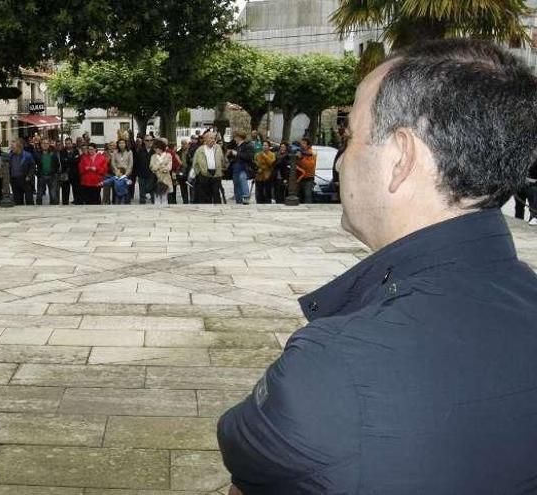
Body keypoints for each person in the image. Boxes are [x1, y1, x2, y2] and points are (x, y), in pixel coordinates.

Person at [218, 39, 537, 494]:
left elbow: (250, 463)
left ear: (401, 158)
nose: (344, 159)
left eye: (351, 136)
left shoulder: (333, 371)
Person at [191, 132, 227, 204]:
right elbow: (195, 163)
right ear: (205, 139)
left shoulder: (218, 148)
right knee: (205, 195)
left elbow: (222, 159)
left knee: (216, 193)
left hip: (216, 174)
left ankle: (218, 209)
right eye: (211, 138)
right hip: (204, 174)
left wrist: (222, 168)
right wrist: (199, 173)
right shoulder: (200, 150)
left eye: (214, 138)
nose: (213, 140)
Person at [227, 131, 254, 205]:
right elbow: (232, 157)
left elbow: (249, 157)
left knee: (242, 180)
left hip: (243, 168)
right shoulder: (236, 146)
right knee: (236, 184)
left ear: (239, 137)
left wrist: (237, 153)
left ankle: (246, 198)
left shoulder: (247, 145)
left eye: (235, 137)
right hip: (235, 168)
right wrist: (230, 154)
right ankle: (238, 201)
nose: (234, 139)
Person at [8, 138, 36, 205]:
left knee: (29, 201)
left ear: (19, 147)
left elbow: (33, 167)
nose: (12, 148)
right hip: (14, 181)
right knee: (18, 202)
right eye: (11, 147)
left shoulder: (27, 155)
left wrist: (29, 176)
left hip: (25, 180)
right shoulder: (10, 156)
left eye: (13, 147)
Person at [33, 139, 60, 205]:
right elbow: (33, 164)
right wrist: (37, 173)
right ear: (41, 144)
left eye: (47, 143)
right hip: (41, 176)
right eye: (43, 143)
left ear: (49, 144)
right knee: (39, 195)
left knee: (53, 195)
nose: (45, 145)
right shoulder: (37, 154)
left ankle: (53, 209)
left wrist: (55, 173)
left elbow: (57, 164)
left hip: (52, 176)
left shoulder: (53, 154)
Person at [149, 139, 173, 206]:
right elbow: (151, 166)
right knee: (156, 192)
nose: (155, 149)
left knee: (165, 192)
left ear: (161, 148)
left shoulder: (168, 155)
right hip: (156, 177)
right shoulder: (153, 156)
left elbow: (169, 166)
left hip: (165, 176)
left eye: (157, 148)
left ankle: (165, 204)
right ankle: (157, 204)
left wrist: (162, 168)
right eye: (155, 148)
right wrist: (160, 166)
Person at [58, 137, 80, 205]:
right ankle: (65, 203)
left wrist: (67, 160)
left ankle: (77, 202)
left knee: (76, 190)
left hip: (75, 174)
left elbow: (78, 160)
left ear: (72, 143)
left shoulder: (76, 151)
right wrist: (73, 159)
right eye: (66, 144)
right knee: (65, 190)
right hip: (65, 174)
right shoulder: (62, 151)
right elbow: (62, 161)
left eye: (69, 143)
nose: (68, 145)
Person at [295, 137, 316, 203]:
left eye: (304, 143)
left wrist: (301, 158)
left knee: (307, 196)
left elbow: (309, 166)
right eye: (301, 143)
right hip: (299, 177)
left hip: (308, 178)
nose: (302, 144)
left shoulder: (311, 153)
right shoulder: (299, 151)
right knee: (298, 195)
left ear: (308, 145)